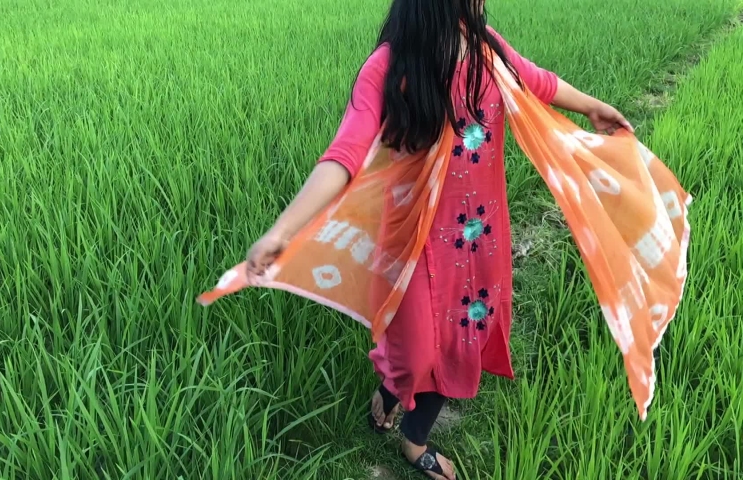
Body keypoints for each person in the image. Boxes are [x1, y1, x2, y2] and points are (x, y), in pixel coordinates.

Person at [245, 1, 632, 478]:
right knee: (416, 353)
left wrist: (595, 107)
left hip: (475, 239)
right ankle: (392, 385)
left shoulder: (486, 51)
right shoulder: (389, 66)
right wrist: (283, 231)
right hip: (411, 241)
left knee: (458, 342)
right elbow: (345, 152)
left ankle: (414, 439)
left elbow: (538, 81)